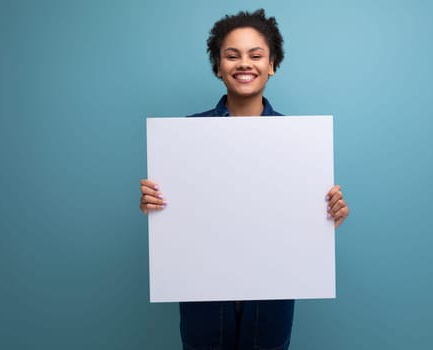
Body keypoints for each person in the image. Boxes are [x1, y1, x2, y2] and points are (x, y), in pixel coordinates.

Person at [139, 9, 349, 350]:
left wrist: (327, 216)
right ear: (218, 67)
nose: (244, 64)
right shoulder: (184, 136)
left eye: (256, 55)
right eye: (232, 55)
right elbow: (178, 215)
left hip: (273, 288)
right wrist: (155, 204)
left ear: (272, 64)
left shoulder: (298, 142)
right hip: (201, 289)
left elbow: (300, 219)